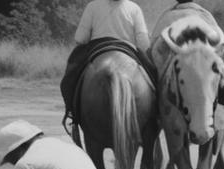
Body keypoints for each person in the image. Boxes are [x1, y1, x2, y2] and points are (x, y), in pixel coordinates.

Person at [60, 0, 155, 132]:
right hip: (128, 49)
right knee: (155, 75)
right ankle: (156, 117)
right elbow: (143, 43)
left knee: (69, 78)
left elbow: (81, 38)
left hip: (96, 48)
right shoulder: (134, 9)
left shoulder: (92, 6)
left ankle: (72, 112)